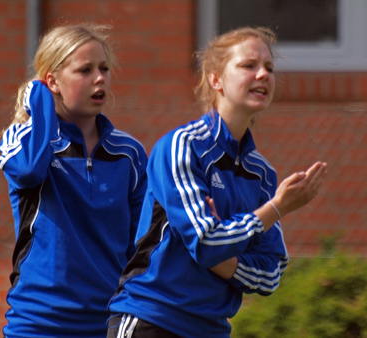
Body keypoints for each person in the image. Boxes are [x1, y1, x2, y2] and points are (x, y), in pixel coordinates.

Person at [107, 27, 327, 338]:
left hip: (212, 330)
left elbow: (270, 272)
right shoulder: (181, 147)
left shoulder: (262, 173)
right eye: (249, 65)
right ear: (216, 79)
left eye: (269, 68)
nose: (263, 74)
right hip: (151, 320)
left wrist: (224, 259)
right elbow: (206, 241)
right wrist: (275, 209)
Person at [0, 23, 148, 338]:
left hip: (107, 323)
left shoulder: (129, 153)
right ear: (51, 81)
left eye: (104, 69)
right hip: (37, 324)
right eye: (85, 70)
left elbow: (143, 240)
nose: (100, 78)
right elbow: (28, 172)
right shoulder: (24, 140)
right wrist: (39, 103)